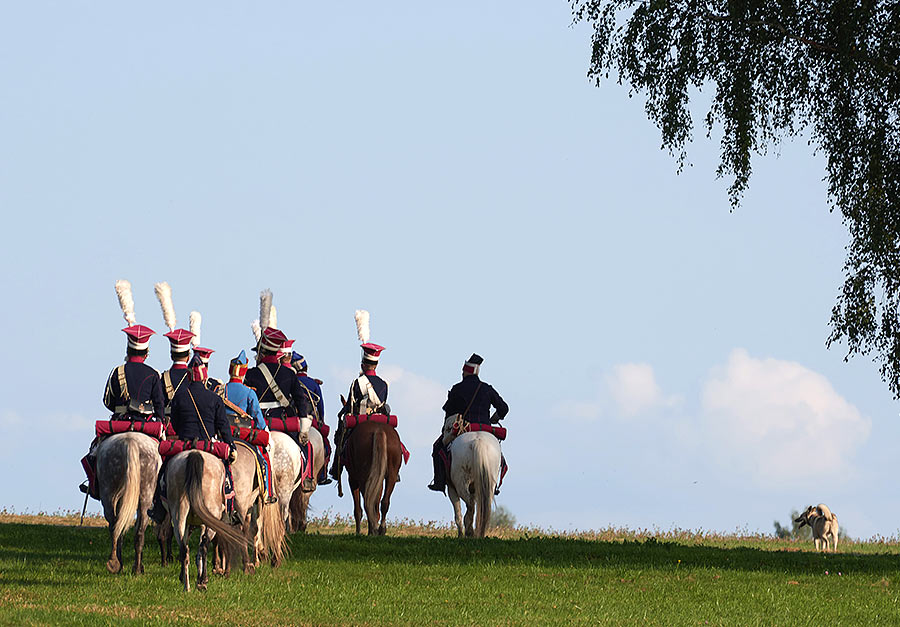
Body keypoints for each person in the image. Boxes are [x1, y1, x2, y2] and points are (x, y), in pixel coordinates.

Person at [148, 355, 236, 523]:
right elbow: (223, 426)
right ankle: (230, 509)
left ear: (188, 377)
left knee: (164, 471)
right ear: (204, 377)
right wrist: (230, 444)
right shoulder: (215, 399)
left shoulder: (179, 398)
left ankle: (158, 507)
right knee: (227, 475)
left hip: (185, 444)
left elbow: (175, 422)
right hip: (208, 445)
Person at [81, 323, 164, 497]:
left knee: (94, 452)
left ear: (128, 348)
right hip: (145, 426)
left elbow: (107, 401)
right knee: (165, 459)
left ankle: (94, 485)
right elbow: (159, 407)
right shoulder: (153, 374)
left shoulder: (117, 371)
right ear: (146, 353)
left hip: (119, 423)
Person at [428, 354, 508, 494]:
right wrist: (495, 418)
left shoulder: (457, 388)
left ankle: (439, 482)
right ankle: (495, 485)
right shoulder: (487, 388)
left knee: (437, 448)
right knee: (499, 458)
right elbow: (504, 408)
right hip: (486, 428)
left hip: (463, 429)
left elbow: (449, 412)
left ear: (465, 372)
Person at [330, 310, 390, 482]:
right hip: (380, 419)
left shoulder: (357, 383)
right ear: (376, 364)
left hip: (361, 420)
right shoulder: (384, 384)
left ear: (363, 363)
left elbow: (350, 407)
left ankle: (336, 468)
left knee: (342, 437)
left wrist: (345, 407)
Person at [292, 352, 331, 485]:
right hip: (310, 419)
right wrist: (322, 421)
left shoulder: (292, 380)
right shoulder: (314, 384)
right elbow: (320, 407)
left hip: (293, 418)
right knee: (326, 445)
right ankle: (322, 475)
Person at [160, 328, 194, 421]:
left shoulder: (163, 378)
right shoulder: (195, 376)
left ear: (171, 356)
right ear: (188, 357)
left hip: (169, 425)